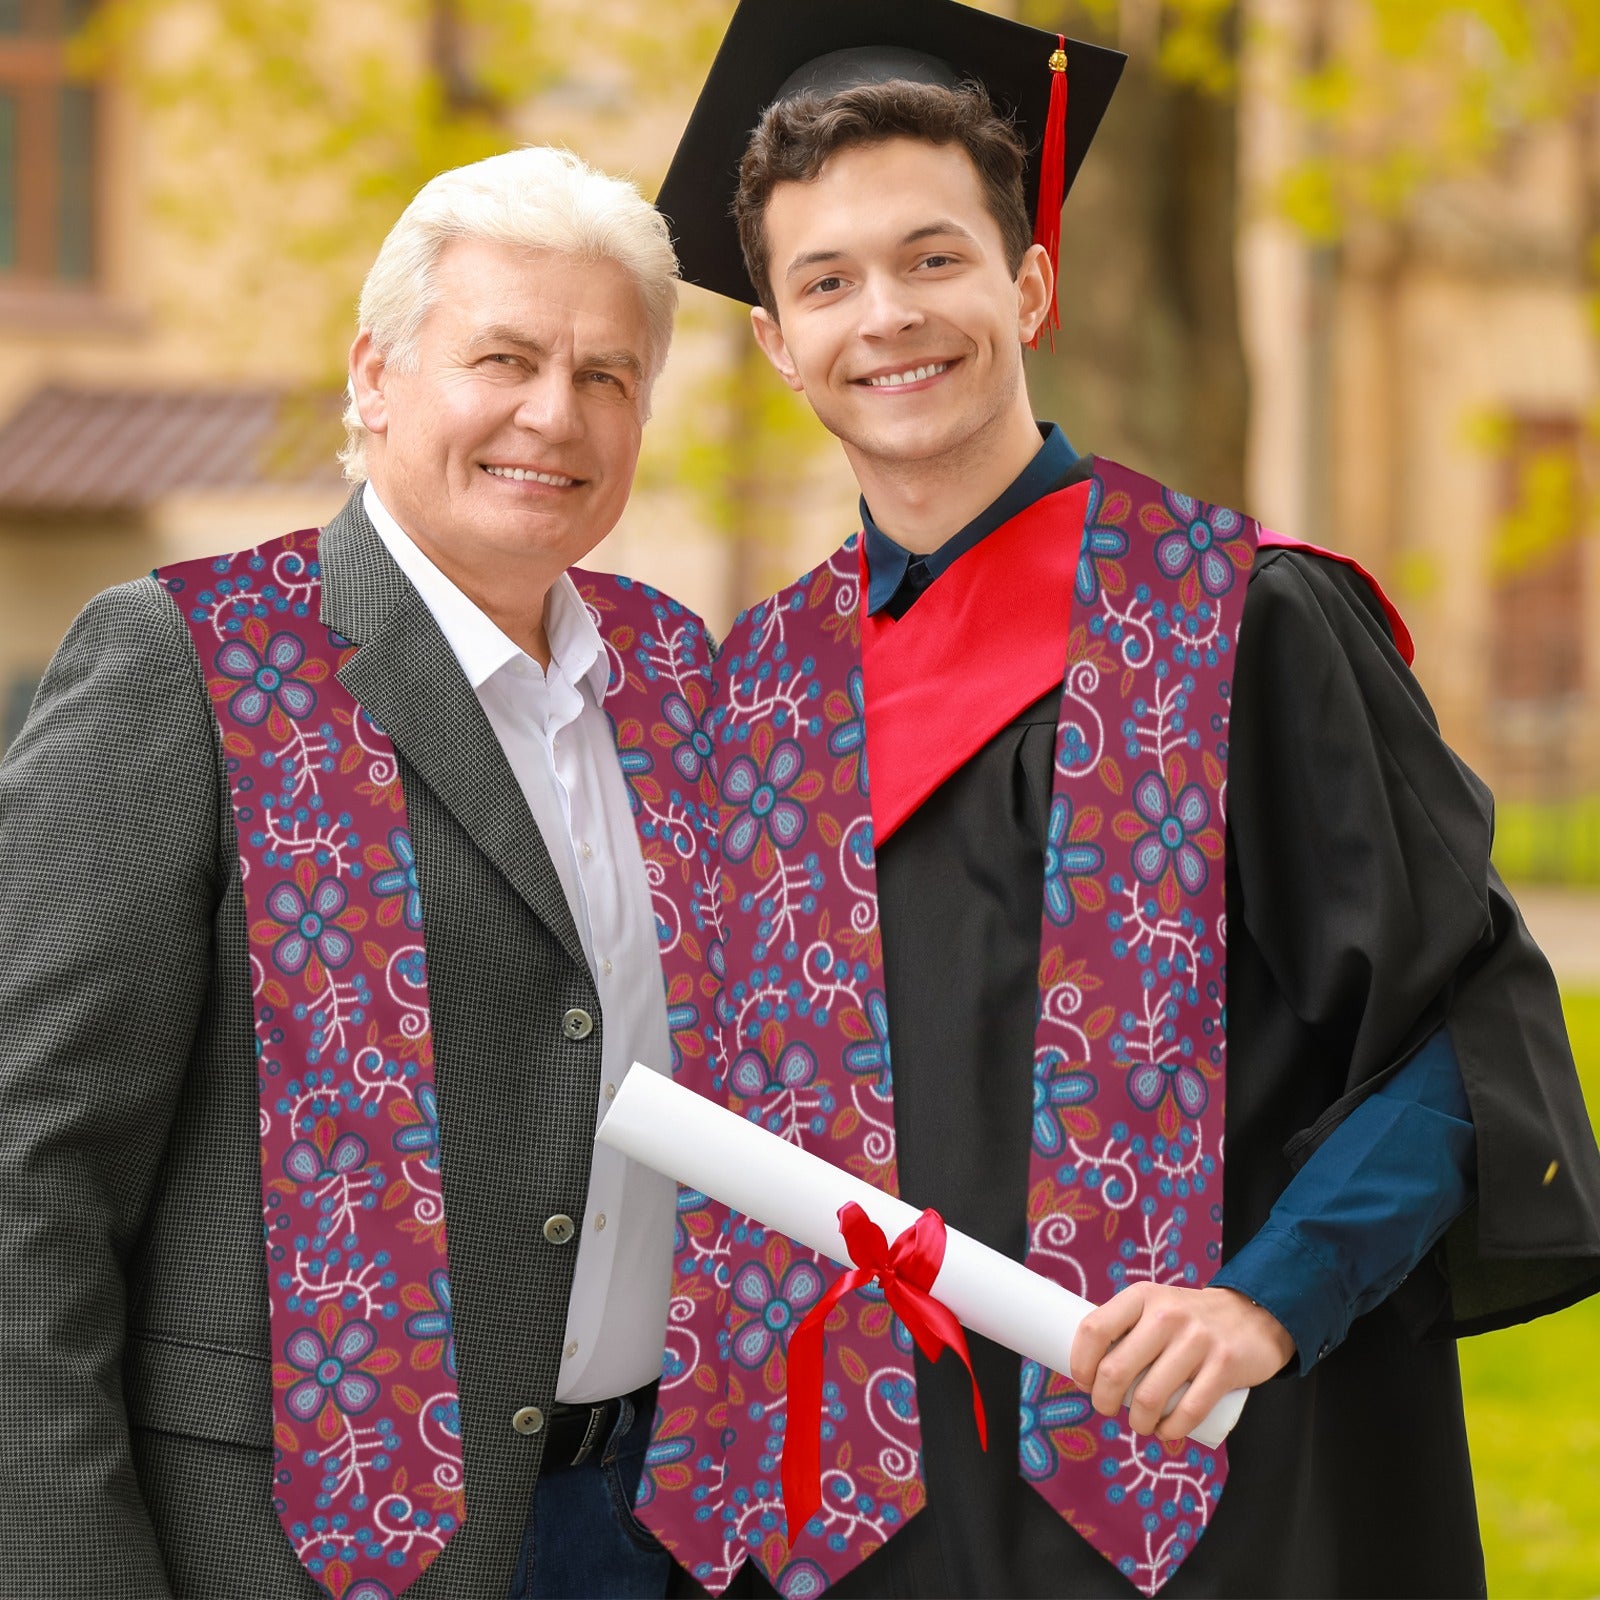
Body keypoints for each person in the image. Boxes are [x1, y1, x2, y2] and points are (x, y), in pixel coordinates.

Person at [634, 3, 1600, 1596]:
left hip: (1205, 1490)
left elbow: (1461, 1034)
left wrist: (1270, 1299)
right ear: (777, 341)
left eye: (934, 258)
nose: (887, 316)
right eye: (827, 281)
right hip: (862, 1524)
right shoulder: (761, 692)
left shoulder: (1243, 623)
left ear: (1029, 282)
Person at [0, 146, 720, 1600]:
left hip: (651, 1530)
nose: (552, 414)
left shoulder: (677, 679)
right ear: (375, 377)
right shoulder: (195, 664)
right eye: (503, 357)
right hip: (291, 1550)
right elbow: (29, 1171)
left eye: (605, 375)